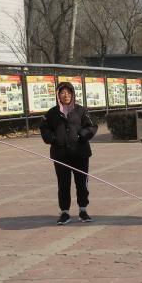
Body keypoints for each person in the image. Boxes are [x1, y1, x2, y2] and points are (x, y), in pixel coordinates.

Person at [40, 82, 97, 225]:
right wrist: (52, 138)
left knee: (82, 183)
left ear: (72, 94)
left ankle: (83, 210)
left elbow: (92, 126)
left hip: (80, 153)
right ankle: (64, 212)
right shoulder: (52, 113)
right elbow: (44, 128)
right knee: (63, 184)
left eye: (69, 93)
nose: (66, 95)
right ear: (58, 95)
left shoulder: (81, 110)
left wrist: (82, 135)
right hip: (61, 154)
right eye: (63, 93)